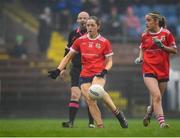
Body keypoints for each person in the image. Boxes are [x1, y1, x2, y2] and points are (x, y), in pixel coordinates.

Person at [48, 16, 128, 128]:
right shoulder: (80, 41)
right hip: (84, 75)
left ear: (98, 26)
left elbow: (110, 61)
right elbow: (67, 57)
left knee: (95, 90)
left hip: (99, 74)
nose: (89, 27)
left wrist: (105, 70)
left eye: (92, 25)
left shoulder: (104, 42)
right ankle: (101, 127)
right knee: (90, 100)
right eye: (88, 25)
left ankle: (118, 115)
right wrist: (58, 70)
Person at [135, 12, 177, 128]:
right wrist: (140, 58)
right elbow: (142, 48)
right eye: (146, 20)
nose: (146, 23)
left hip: (163, 70)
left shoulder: (166, 34)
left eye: (149, 20)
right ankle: (162, 123)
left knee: (156, 99)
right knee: (157, 96)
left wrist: (162, 46)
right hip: (148, 69)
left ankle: (149, 112)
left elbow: (174, 51)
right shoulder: (145, 35)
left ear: (156, 21)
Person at [60, 11, 95, 128]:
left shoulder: (94, 34)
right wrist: (63, 68)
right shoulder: (73, 34)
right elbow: (67, 51)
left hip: (90, 69)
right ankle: (71, 122)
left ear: (89, 20)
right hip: (76, 69)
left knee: (89, 97)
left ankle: (91, 123)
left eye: (85, 18)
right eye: (80, 18)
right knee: (75, 95)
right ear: (77, 20)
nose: (83, 20)